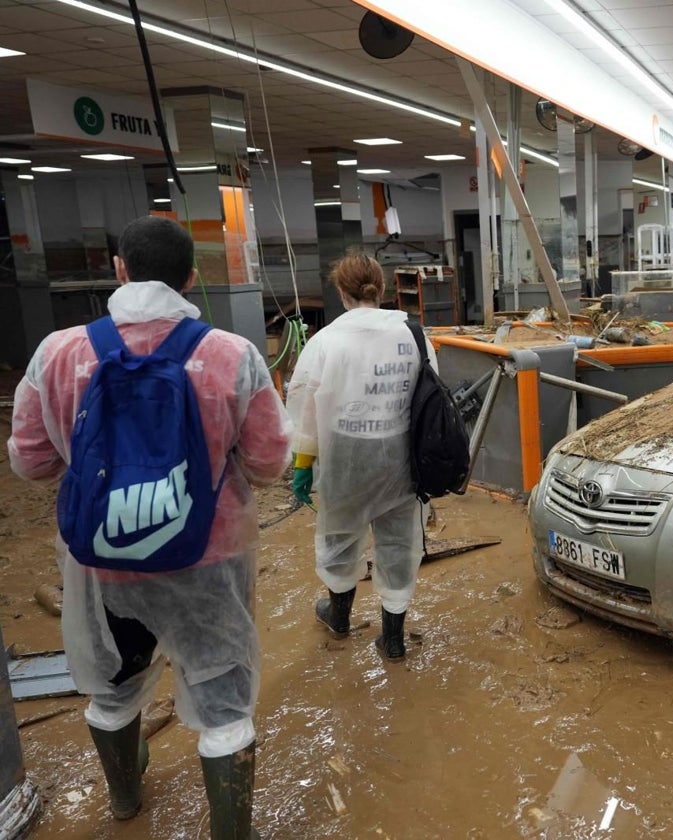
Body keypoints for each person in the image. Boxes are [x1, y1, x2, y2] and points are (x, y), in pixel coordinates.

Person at [7, 216, 291, 838]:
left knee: (112, 688)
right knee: (225, 709)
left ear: (119, 268)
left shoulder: (56, 353)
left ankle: (125, 802)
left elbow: (29, 463)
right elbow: (271, 464)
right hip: (206, 563)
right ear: (191, 278)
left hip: (100, 563)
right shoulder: (233, 356)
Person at [285, 254, 432, 661]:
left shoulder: (325, 341)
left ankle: (339, 617)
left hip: (345, 457)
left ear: (340, 292)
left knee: (338, 538)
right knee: (400, 545)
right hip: (403, 457)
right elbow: (430, 398)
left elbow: (306, 410)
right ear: (381, 289)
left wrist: (302, 467)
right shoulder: (414, 334)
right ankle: (394, 639)